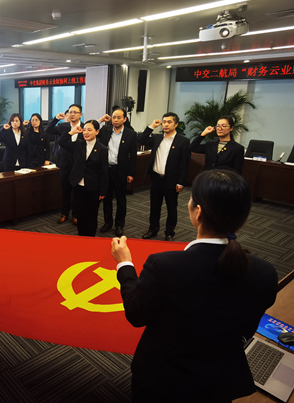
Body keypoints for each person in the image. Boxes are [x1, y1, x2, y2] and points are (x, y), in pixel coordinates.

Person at [111, 169, 278, 403]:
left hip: (161, 381)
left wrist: (125, 264)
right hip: (220, 381)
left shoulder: (164, 266)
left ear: (198, 212)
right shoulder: (266, 273)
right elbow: (246, 329)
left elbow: (136, 314)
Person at [137, 113, 190, 241]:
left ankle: (169, 232)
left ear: (176, 124)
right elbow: (141, 139)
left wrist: (181, 182)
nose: (165, 124)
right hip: (156, 179)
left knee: (171, 208)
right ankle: (153, 229)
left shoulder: (183, 141)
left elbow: (185, 164)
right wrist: (151, 126)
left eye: (169, 122)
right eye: (164, 122)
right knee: (154, 207)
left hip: (172, 180)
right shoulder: (157, 138)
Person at [57, 120, 108, 236]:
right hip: (78, 185)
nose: (86, 132)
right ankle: (81, 237)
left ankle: (90, 238)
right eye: (84, 130)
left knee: (91, 215)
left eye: (89, 130)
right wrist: (73, 132)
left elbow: (104, 171)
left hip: (93, 187)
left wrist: (103, 190)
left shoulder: (102, 149)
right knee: (80, 214)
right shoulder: (78, 144)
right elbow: (61, 141)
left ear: (97, 131)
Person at [97, 108, 137, 237]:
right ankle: (107, 223)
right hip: (106, 170)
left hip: (121, 171)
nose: (115, 120)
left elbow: (133, 156)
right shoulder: (105, 130)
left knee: (121, 200)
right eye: (114, 117)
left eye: (119, 117)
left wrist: (131, 173)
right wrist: (101, 120)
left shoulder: (131, 134)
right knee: (106, 198)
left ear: (125, 119)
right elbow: (91, 128)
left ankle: (119, 225)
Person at [46, 104, 85, 225]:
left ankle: (76, 215)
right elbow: (48, 130)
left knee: (77, 192)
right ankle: (64, 214)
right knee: (65, 191)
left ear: (80, 114)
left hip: (78, 164)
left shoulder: (84, 127)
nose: (72, 114)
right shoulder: (63, 126)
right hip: (64, 163)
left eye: (75, 112)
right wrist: (56, 118)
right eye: (70, 112)